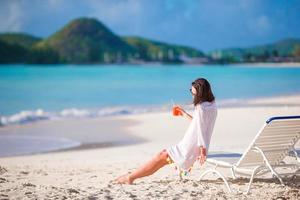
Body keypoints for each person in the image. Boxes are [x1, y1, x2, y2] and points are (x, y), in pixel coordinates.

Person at [112, 78, 217, 184]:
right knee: (161, 157)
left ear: (200, 93)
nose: (192, 95)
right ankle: (131, 177)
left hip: (190, 147)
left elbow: (201, 130)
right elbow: (199, 124)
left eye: (194, 93)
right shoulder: (211, 105)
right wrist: (184, 114)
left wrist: (202, 150)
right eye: (191, 91)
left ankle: (130, 178)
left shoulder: (201, 108)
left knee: (161, 156)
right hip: (195, 145)